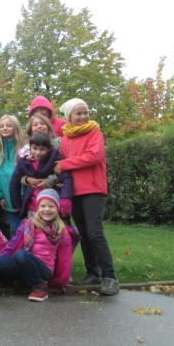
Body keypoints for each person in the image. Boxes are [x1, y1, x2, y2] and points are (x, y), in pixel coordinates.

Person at [54, 98, 119, 295]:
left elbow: (95, 156)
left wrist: (65, 165)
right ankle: (93, 272)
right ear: (69, 117)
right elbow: (60, 163)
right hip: (74, 191)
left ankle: (110, 276)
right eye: (78, 113)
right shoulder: (65, 138)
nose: (83, 117)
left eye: (85, 112)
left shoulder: (94, 131)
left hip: (93, 188)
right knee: (83, 233)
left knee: (95, 231)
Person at [0, 189, 74, 302]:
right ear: (37, 207)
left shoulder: (62, 231)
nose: (46, 209)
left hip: (44, 269)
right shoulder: (28, 223)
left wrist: (60, 282)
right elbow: (12, 245)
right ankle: (21, 280)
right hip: (24, 262)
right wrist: (0, 263)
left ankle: (40, 286)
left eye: (51, 206)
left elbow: (65, 260)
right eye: (43, 206)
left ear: (57, 208)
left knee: (21, 255)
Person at [10, 132, 73, 221]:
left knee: (56, 232)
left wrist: (65, 199)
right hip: (32, 206)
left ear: (48, 149)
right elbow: (14, 181)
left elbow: (67, 177)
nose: (38, 152)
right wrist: (16, 204)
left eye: (42, 149)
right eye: (34, 148)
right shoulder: (23, 161)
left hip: (52, 207)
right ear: (30, 146)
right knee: (34, 232)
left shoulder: (55, 158)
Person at [0, 115, 24, 237]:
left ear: (15, 128)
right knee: (14, 229)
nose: (5, 128)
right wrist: (0, 196)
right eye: (2, 126)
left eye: (9, 125)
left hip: (24, 195)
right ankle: (16, 254)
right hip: (7, 196)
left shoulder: (23, 148)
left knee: (26, 228)